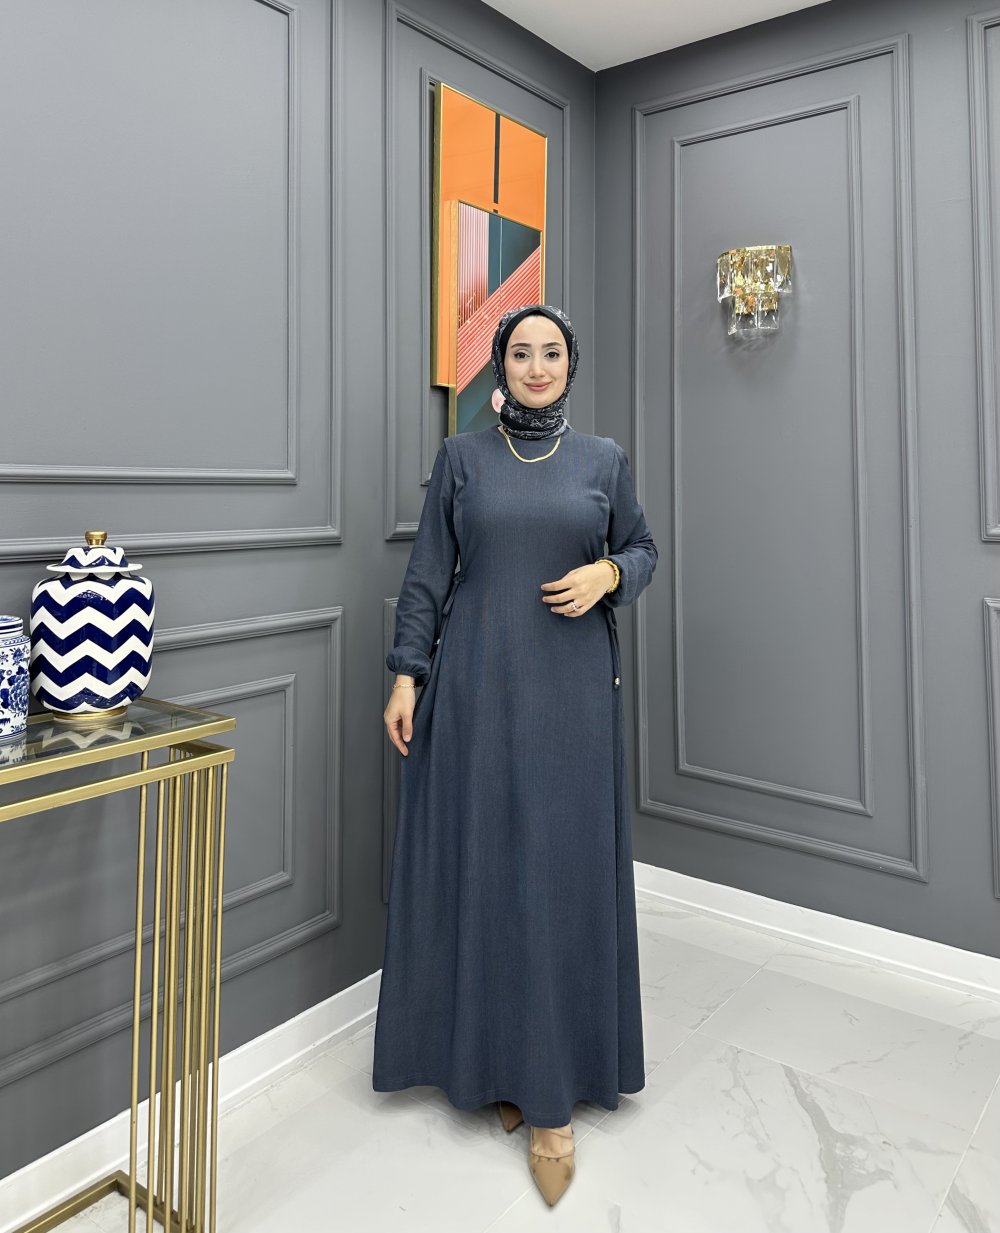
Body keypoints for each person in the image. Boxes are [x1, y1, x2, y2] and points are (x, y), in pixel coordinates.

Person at [375, 303, 658, 1207]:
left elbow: (644, 548)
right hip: (476, 689)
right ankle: (498, 1058)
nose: (538, 366)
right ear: (500, 365)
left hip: (570, 700)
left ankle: (551, 1101)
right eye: (522, 353)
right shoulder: (463, 459)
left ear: (572, 365)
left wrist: (609, 573)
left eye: (553, 353)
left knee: (557, 876)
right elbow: (427, 576)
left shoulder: (603, 459)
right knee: (490, 871)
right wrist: (407, 675)